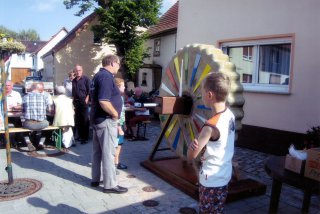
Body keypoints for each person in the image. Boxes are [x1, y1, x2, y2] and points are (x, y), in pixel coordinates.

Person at [187, 72, 235, 214]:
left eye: (202, 91)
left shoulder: (210, 127)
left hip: (210, 180)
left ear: (209, 95)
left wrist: (191, 148)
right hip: (224, 175)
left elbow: (191, 157)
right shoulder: (230, 114)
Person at [90, 54, 128, 194]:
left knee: (97, 152)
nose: (119, 67)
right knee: (108, 153)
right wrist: (115, 114)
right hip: (105, 120)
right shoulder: (106, 77)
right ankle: (110, 185)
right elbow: (104, 100)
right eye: (118, 64)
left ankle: (96, 179)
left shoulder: (97, 76)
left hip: (97, 119)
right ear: (112, 63)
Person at [22, 83, 51, 151]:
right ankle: (41, 143)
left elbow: (22, 110)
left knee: (22, 124)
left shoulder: (25, 97)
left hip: (29, 124)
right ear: (39, 89)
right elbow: (49, 109)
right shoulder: (45, 97)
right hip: (41, 124)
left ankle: (28, 141)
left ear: (32, 88)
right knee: (48, 122)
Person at [72, 65, 90, 144]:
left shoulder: (86, 79)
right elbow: (73, 93)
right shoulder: (74, 80)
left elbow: (90, 90)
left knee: (84, 120)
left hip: (83, 101)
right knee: (78, 120)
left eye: (79, 70)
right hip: (76, 102)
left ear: (82, 71)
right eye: (76, 70)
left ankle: (85, 138)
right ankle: (80, 136)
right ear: (74, 72)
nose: (78, 72)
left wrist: (87, 99)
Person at [114, 77, 127, 171]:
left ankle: (116, 162)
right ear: (118, 87)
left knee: (119, 145)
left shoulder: (120, 97)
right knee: (116, 145)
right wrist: (119, 127)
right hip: (116, 125)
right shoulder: (116, 98)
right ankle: (115, 164)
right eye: (123, 85)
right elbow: (116, 114)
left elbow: (122, 112)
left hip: (120, 123)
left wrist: (124, 123)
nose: (125, 87)